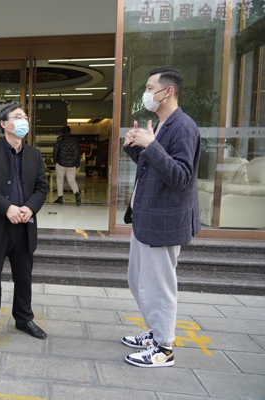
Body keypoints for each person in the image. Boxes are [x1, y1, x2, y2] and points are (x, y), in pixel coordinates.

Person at [121, 67, 201, 368]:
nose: (146, 93)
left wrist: (151, 145)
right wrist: (134, 147)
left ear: (167, 91)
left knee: (158, 286)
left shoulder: (183, 127)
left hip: (163, 222)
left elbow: (180, 176)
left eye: (149, 87)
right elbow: (155, 167)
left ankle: (163, 348)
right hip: (147, 218)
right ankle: (155, 333)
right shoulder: (163, 124)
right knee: (139, 280)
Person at [0, 104, 48, 354]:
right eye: (17, 117)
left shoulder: (34, 155)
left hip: (24, 226)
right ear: (4, 124)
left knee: (24, 278)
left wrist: (30, 208)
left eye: (25, 117)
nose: (23, 120)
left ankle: (24, 318)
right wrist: (7, 208)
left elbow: (41, 188)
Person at [52, 125, 81, 206]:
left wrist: (55, 161)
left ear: (62, 132)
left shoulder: (59, 141)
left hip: (61, 163)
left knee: (60, 180)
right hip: (72, 164)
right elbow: (78, 153)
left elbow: (55, 152)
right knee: (72, 180)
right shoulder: (75, 141)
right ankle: (77, 195)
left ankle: (60, 198)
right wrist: (77, 164)